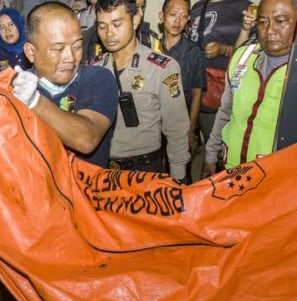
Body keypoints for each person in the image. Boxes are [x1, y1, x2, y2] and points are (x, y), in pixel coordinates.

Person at [0, 1, 118, 168]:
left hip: (86, 191)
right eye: (58, 49)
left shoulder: (98, 78)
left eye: (77, 46)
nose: (70, 57)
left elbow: (86, 139)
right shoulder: (16, 83)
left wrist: (35, 102)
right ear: (30, 52)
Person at [95, 0, 190, 180]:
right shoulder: (95, 69)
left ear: (136, 20)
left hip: (145, 171)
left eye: (117, 24)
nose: (109, 34)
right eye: (102, 26)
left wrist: (178, 179)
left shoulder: (162, 68)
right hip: (104, 172)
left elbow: (177, 130)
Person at [204, 0, 296, 175]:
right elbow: (225, 112)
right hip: (231, 170)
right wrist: (210, 155)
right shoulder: (242, 56)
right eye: (262, 21)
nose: (269, 30)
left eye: (281, 21)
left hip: (276, 179)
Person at [188, 0, 251, 149]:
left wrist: (224, 50)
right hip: (195, 89)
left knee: (220, 146)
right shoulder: (197, 7)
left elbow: (251, 51)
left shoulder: (242, 6)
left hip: (221, 92)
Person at [158, 0, 207, 156]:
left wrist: (191, 129)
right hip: (154, 120)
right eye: (172, 14)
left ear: (188, 20)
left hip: (181, 119)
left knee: (180, 172)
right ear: (162, 16)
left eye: (183, 16)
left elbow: (196, 93)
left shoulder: (194, 53)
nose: (177, 21)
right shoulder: (152, 49)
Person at [0, 6, 31, 75]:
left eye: (11, 24)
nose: (7, 30)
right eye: (2, 27)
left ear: (19, 24)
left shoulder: (32, 50)